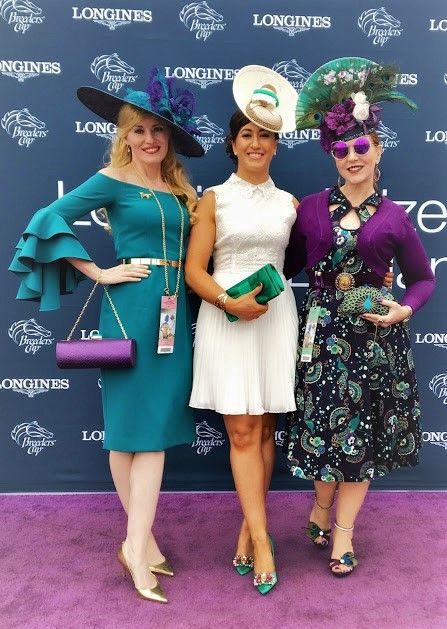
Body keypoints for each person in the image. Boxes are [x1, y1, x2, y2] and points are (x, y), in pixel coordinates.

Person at [9, 67, 204, 602]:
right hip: (126, 309)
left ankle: (141, 543)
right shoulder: (110, 181)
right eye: (138, 129)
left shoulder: (177, 188)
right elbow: (48, 216)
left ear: (170, 140)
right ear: (124, 135)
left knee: (151, 429)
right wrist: (99, 272)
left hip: (170, 315)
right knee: (128, 431)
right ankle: (138, 549)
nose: (149, 139)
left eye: (157, 131)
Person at [283, 57, 435, 576]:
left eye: (361, 147)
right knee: (324, 431)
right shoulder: (308, 208)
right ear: (332, 153)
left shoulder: (394, 218)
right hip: (321, 337)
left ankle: (342, 535)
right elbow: (283, 267)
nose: (352, 156)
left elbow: (423, 278)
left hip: (374, 339)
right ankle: (322, 507)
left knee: (359, 436)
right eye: (342, 149)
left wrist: (403, 310)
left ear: (378, 148)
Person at [185, 65, 298, 594]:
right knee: (242, 431)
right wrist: (232, 301)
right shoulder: (214, 198)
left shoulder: (290, 205)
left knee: (268, 429)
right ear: (233, 144)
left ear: (277, 143)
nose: (257, 143)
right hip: (227, 319)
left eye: (266, 135)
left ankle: (248, 529)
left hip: (275, 320)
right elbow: (194, 271)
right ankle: (265, 538)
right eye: (247, 134)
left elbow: (296, 264)